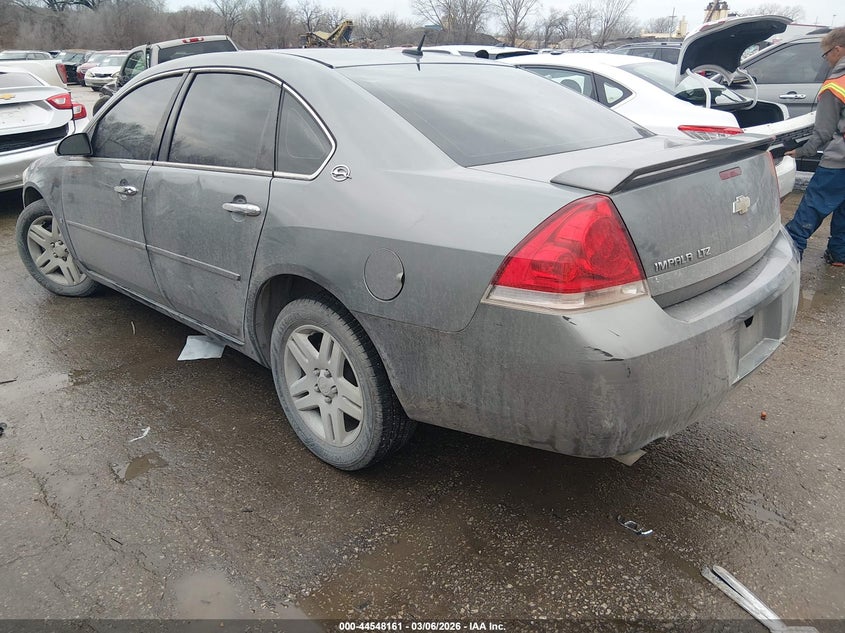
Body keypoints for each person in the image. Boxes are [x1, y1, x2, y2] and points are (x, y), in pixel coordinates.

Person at [784, 27, 845, 266]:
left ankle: (792, 252)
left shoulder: (836, 84)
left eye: (827, 53)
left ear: (838, 50)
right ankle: (839, 255)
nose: (827, 59)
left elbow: (823, 132)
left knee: (814, 205)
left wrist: (801, 152)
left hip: (839, 161)